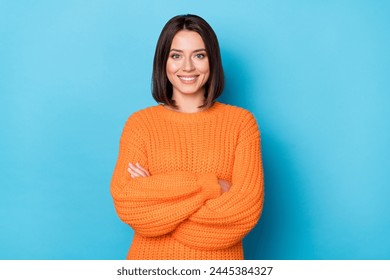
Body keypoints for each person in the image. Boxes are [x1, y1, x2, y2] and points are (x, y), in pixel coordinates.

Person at [110, 14, 264, 260]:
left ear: (212, 60)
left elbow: (244, 211)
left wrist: (159, 196)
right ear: (164, 62)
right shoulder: (140, 124)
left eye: (199, 55)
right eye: (176, 55)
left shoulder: (241, 123)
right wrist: (211, 186)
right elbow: (129, 204)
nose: (188, 67)